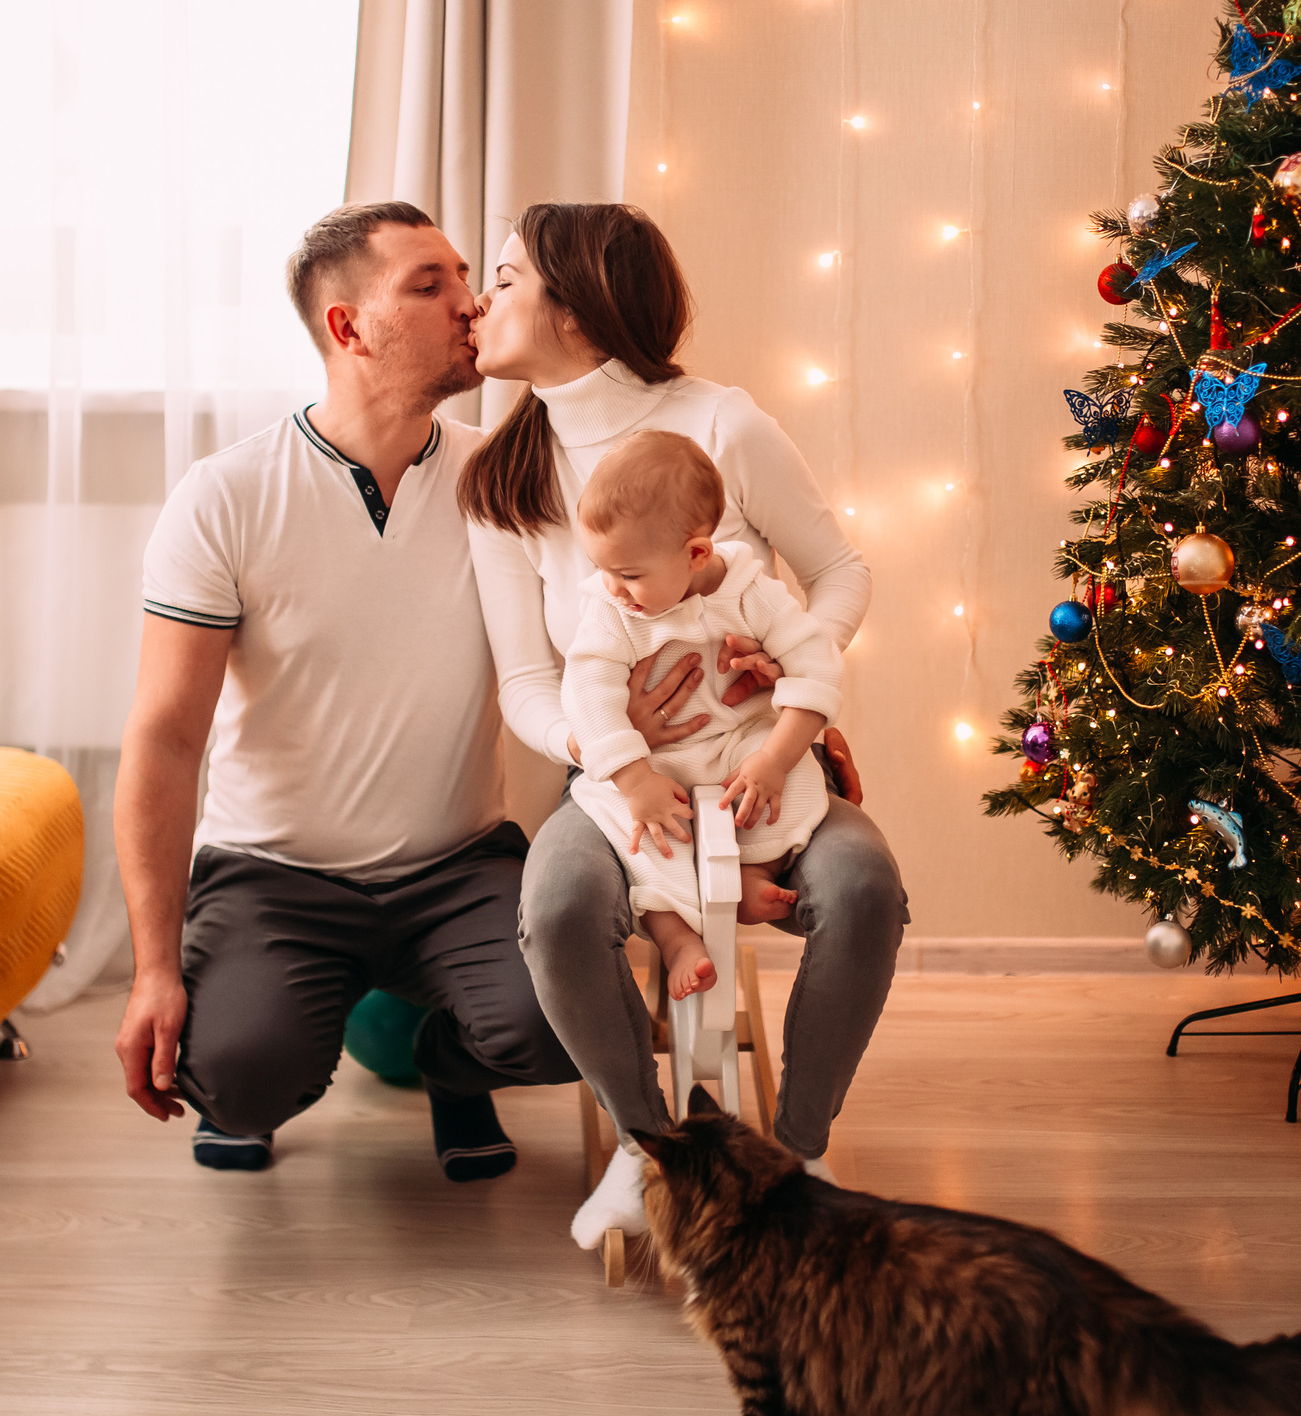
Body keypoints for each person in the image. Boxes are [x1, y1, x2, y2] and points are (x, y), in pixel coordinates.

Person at [460, 202, 906, 1249]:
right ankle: (647, 1146)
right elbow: (527, 683)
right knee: (560, 907)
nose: (485, 300)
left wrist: (786, 667)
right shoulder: (500, 478)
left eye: (508, 278)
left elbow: (841, 570)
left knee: (863, 886)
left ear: (575, 310)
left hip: (757, 762)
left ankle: (795, 1151)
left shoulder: (722, 424)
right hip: (622, 783)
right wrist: (607, 746)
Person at [113, 200, 575, 1180]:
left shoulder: (508, 478)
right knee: (232, 1076)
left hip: (457, 865)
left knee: (573, 1024)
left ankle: (452, 1067)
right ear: (347, 327)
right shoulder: (226, 495)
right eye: (430, 284)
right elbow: (163, 741)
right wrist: (154, 971)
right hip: (272, 876)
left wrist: (773, 709)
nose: (472, 302)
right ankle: (264, 1055)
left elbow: (645, 605)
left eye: (469, 277)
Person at [561, 430, 844, 1000]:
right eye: (603, 570)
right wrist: (635, 778)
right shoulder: (612, 609)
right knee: (637, 835)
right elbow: (587, 694)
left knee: (783, 792)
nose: (614, 588)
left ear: (696, 553)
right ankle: (675, 938)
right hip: (653, 762)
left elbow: (815, 666)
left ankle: (754, 875)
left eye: (630, 574)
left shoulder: (749, 593)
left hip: (742, 740)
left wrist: (774, 757)